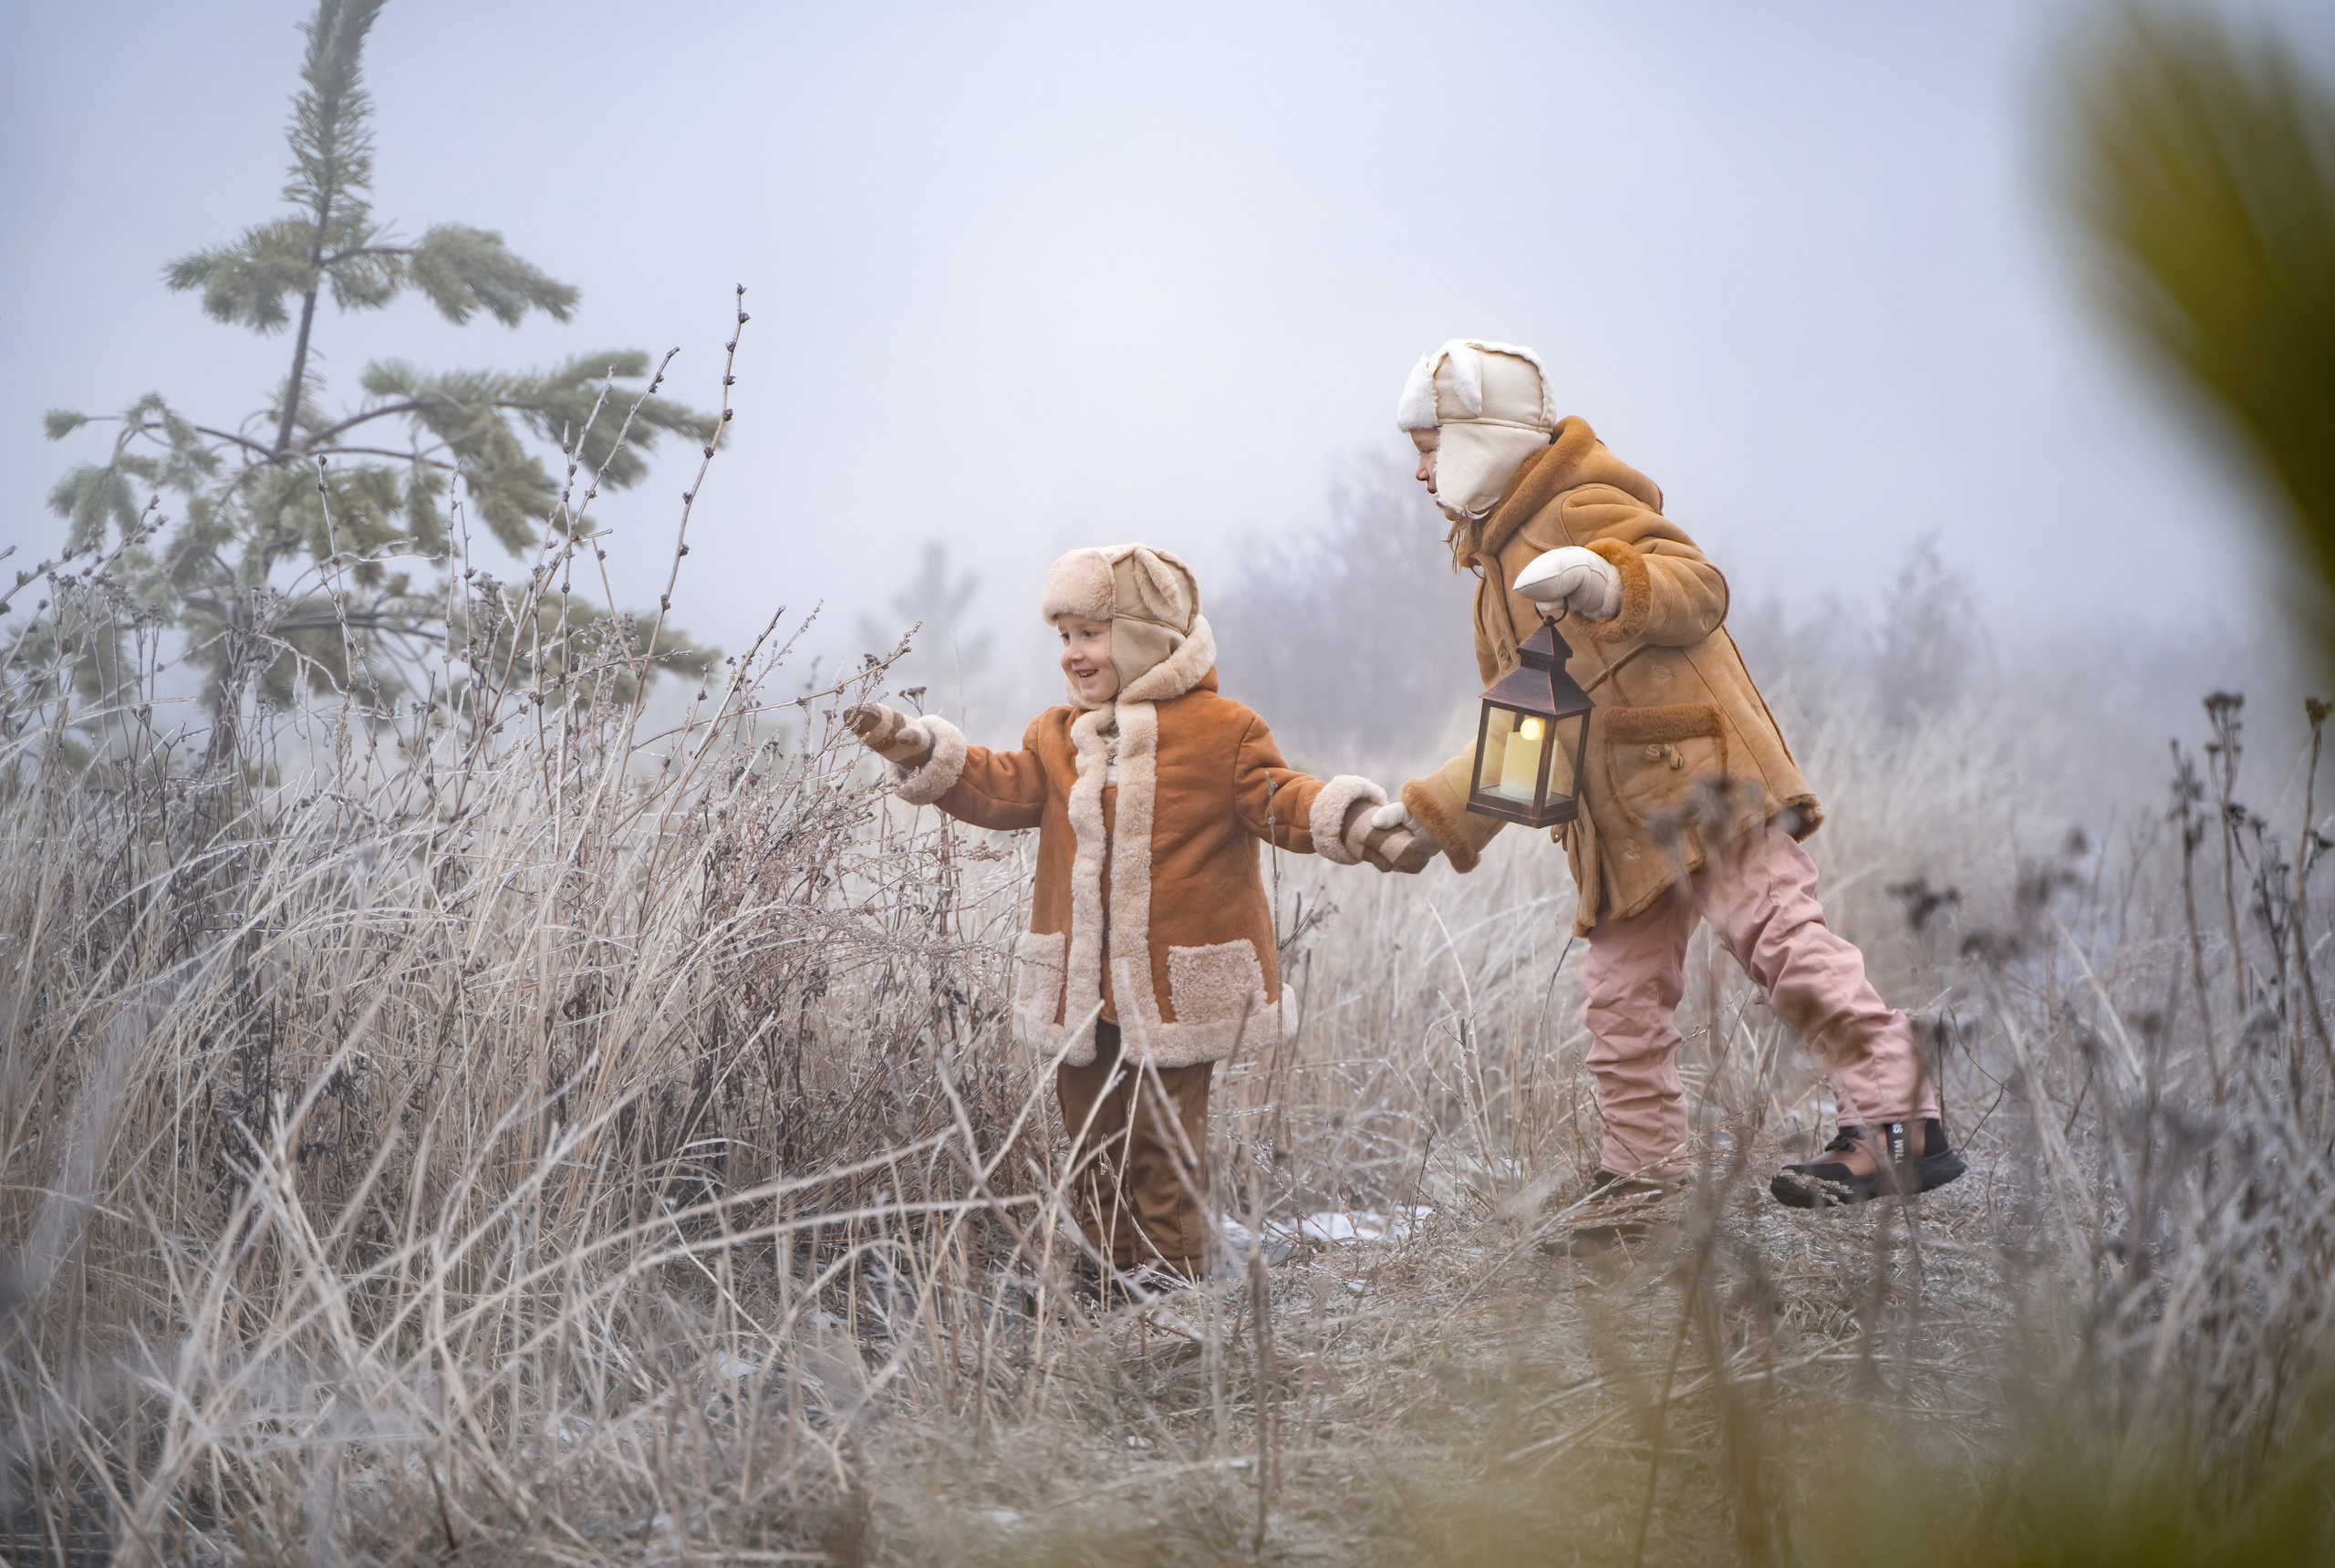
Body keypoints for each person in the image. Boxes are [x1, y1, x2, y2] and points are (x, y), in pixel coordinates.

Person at [1368, 340, 1966, 1224]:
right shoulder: (1491, 571)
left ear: (1481, 437)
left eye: (1429, 447)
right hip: (1618, 829)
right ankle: (1642, 1179)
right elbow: (1530, 731)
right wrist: (1433, 820)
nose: (1419, 473)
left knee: (1781, 945)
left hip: (1703, 784)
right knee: (1618, 1002)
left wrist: (1611, 583)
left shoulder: (1579, 500)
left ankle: (1895, 1120)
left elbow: (1697, 586)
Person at [845, 543, 1430, 1288]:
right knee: (1091, 1135)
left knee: (1160, 1138)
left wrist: (1360, 824)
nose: (1071, 654)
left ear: (1145, 638)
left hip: (1176, 989)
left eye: (1090, 633)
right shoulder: (1058, 737)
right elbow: (998, 787)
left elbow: (1284, 799)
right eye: (1063, 636)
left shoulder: (1225, 731)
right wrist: (919, 747)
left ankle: (1176, 1282)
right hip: (1083, 989)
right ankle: (1108, 1269)